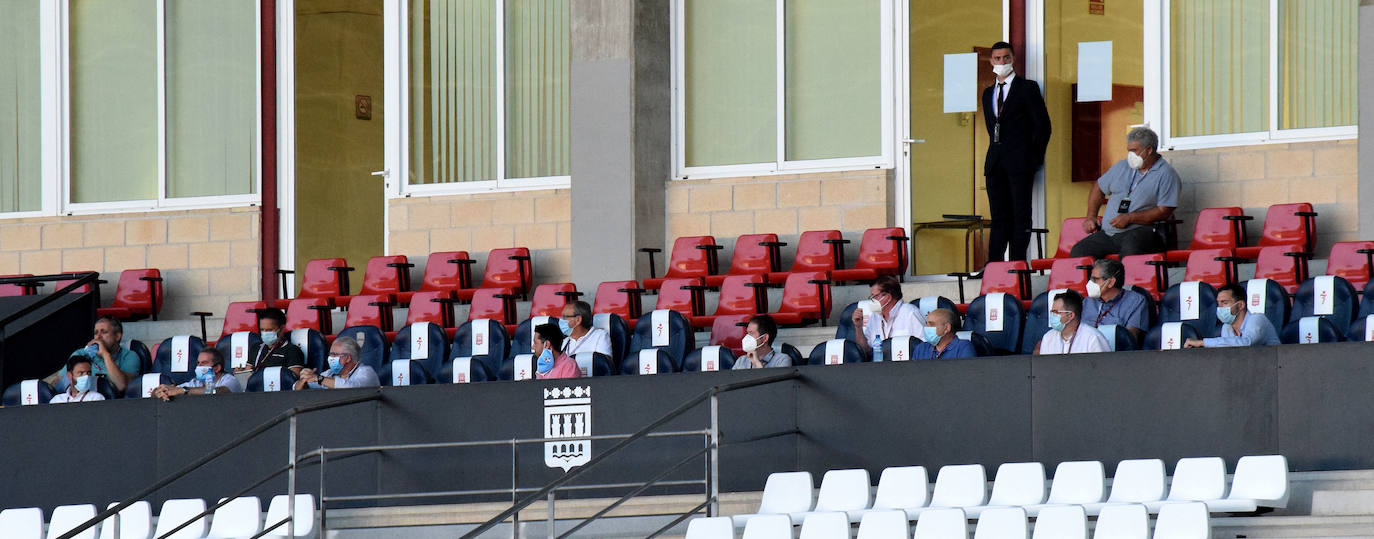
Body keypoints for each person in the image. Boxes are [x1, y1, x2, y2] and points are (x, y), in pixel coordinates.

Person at [982, 41, 1052, 262]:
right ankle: (994, 265)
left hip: (1020, 162)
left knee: (1020, 214)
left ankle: (1017, 263)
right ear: (991, 61)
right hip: (995, 162)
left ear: (1012, 59)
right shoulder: (987, 93)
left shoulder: (1027, 88)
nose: (1001, 62)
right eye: (997, 59)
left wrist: (1033, 158)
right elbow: (990, 126)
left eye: (1005, 58)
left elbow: (1043, 126)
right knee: (999, 216)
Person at [1070, 126, 1182, 258]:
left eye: (1134, 151)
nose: (1130, 155)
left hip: (1142, 231)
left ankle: (1122, 279)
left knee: (1131, 249)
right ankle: (1094, 280)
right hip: (1109, 233)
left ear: (1149, 150)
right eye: (1129, 151)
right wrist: (1091, 216)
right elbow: (1098, 187)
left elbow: (1164, 211)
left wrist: (1130, 217)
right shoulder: (1122, 166)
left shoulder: (1166, 174)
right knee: (1080, 251)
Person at [46, 315, 140, 393]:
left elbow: (121, 386)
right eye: (96, 333)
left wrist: (105, 355)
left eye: (104, 332)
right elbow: (57, 384)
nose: (98, 337)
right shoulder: (80, 354)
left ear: (117, 336)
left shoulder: (130, 356)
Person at [850, 276, 923, 361]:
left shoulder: (910, 313)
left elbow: (924, 346)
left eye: (874, 297)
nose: (871, 301)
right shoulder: (875, 316)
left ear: (887, 297)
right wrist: (858, 327)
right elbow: (866, 350)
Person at [1185, 283, 1279, 348]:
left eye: (1224, 303)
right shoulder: (1226, 327)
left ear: (1240, 305)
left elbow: (1246, 343)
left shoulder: (1257, 318)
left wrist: (1202, 342)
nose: (1220, 308)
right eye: (1218, 303)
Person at [1081, 258, 1151, 342]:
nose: (1090, 283)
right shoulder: (1088, 301)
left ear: (1110, 282)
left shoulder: (1135, 301)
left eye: (1095, 279)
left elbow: (1131, 338)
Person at [1035, 290, 1111, 354]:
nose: (1052, 315)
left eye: (1056, 312)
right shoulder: (1048, 338)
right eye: (1051, 312)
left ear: (1070, 315)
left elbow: (1103, 369)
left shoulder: (1093, 338)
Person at [152, 348, 243, 400]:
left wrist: (183, 391)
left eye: (204, 363)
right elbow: (156, 393)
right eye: (198, 363)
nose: (199, 366)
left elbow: (220, 391)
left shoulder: (230, 380)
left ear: (217, 368)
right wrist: (162, 391)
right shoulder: (195, 383)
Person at [294, 336, 379, 389]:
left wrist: (320, 379)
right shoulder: (329, 373)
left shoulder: (366, 371)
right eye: (330, 354)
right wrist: (304, 381)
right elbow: (295, 388)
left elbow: (352, 388)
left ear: (348, 358)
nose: (330, 358)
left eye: (334, 354)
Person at [247, 307, 305, 373]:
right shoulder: (256, 348)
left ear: (282, 328)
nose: (265, 333)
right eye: (262, 330)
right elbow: (246, 378)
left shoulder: (292, 351)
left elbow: (293, 379)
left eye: (269, 330)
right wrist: (240, 374)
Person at [912, 309, 977, 360]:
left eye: (931, 324)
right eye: (926, 324)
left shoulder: (964, 347)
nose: (926, 328)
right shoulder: (921, 348)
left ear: (947, 328)